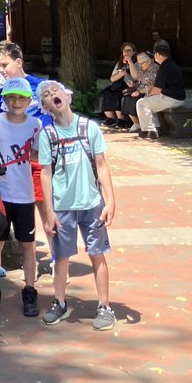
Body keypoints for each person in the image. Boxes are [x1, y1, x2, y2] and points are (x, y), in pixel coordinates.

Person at [37, 81, 118, 331]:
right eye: (47, 96)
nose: (53, 96)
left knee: (97, 253)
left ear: (67, 96)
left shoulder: (88, 127)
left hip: (91, 202)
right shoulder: (47, 135)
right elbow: (45, 174)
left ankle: (104, 306)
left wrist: (110, 200)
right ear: (45, 106)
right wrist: (49, 211)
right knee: (61, 256)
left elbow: (101, 165)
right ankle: (59, 302)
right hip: (62, 206)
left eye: (56, 92)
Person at [0, 77, 42, 318]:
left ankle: (30, 291)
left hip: (25, 194)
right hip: (0, 192)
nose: (16, 102)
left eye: (21, 98)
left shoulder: (35, 124)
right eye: (11, 97)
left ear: (28, 100)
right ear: (4, 99)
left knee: (28, 245)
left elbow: (37, 155)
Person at [136, 40, 185, 140]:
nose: (154, 57)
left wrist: (147, 94)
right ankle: (155, 128)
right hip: (179, 98)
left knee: (141, 103)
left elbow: (157, 89)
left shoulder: (163, 68)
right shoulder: (173, 65)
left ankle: (151, 130)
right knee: (149, 102)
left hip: (171, 99)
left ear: (158, 54)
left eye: (154, 54)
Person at [94, 42, 138, 128]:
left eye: (129, 50)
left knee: (117, 95)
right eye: (125, 51)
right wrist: (120, 74)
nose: (126, 53)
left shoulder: (136, 63)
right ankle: (111, 118)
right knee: (104, 94)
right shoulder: (119, 63)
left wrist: (129, 62)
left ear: (134, 52)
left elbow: (135, 77)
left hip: (129, 85)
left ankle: (122, 119)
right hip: (117, 84)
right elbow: (112, 78)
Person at [119, 51, 159, 133]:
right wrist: (133, 84)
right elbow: (138, 79)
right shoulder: (141, 66)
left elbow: (152, 85)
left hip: (149, 92)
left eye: (142, 63)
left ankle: (142, 125)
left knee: (135, 101)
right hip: (139, 89)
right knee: (125, 99)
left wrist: (139, 91)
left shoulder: (155, 69)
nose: (140, 65)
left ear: (149, 61)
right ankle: (136, 123)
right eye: (139, 63)